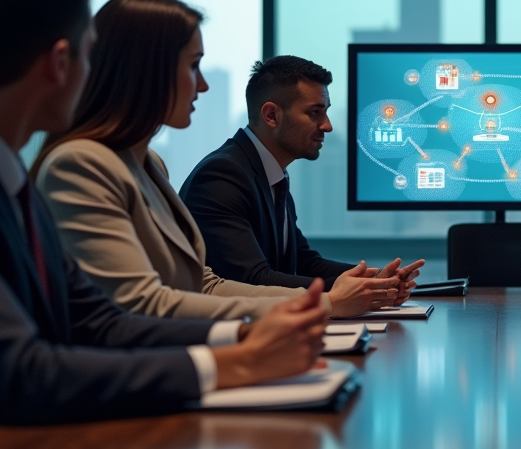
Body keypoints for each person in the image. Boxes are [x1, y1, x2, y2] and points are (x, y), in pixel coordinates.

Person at [0, 0, 327, 449]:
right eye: (89, 54)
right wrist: (236, 363)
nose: (93, 73)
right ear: (60, 62)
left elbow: (100, 322)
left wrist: (244, 339)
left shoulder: (0, 173)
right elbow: (24, 373)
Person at [34, 0, 399, 321]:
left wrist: (355, 288)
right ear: (148, 70)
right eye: (193, 66)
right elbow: (143, 305)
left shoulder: (151, 165)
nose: (203, 84)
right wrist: (325, 303)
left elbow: (203, 285)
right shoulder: (82, 166)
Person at [180, 55, 423, 301]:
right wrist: (353, 291)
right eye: (314, 113)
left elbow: (304, 262)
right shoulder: (222, 175)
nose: (327, 126)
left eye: (326, 112)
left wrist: (376, 280)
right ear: (271, 115)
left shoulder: (272, 174)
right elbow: (252, 279)